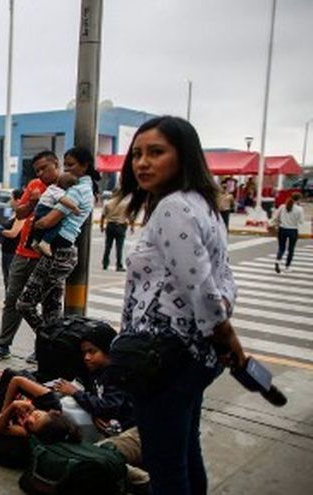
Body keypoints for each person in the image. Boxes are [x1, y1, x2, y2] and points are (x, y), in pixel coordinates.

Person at [116, 116, 248, 495]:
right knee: (186, 452)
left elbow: (202, 287)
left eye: (156, 152)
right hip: (190, 356)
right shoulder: (202, 204)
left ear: (183, 155)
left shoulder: (173, 208)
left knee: (166, 466)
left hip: (163, 358)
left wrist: (228, 339)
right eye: (137, 154)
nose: (142, 163)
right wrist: (219, 336)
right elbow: (224, 279)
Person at [16, 147, 98, 364]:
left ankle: (52, 344)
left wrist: (37, 225)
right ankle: (52, 350)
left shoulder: (77, 190)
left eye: (71, 165)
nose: (67, 169)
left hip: (60, 252)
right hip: (60, 251)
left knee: (26, 304)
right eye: (66, 164)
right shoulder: (84, 188)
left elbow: (47, 221)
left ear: (84, 166)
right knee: (51, 309)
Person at [0, 151, 60, 363]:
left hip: (46, 256)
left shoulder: (65, 187)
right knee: (12, 300)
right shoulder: (34, 185)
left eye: (44, 168)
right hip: (22, 254)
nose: (41, 173)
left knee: (46, 304)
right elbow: (20, 213)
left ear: (56, 164)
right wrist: (33, 202)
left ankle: (43, 348)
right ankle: (3, 345)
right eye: (37, 170)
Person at [51, 324, 135, 434]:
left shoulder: (118, 375)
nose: (87, 357)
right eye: (84, 353)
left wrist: (74, 392)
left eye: (92, 351)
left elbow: (109, 406)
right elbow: (97, 397)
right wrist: (95, 415)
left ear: (107, 350)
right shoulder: (97, 372)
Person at [26, 172, 82, 256]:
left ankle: (36, 241)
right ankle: (46, 242)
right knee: (56, 224)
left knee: (38, 227)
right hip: (45, 209)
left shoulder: (51, 188)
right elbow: (63, 200)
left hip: (39, 209)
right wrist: (74, 207)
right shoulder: (58, 191)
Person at [0, 188, 23, 291]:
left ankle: (11, 300)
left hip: (13, 253)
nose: (10, 201)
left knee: (11, 280)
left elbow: (13, 233)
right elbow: (6, 231)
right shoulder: (13, 213)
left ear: (18, 200)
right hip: (6, 251)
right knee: (7, 279)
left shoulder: (22, 215)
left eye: (11, 198)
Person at [271, 192, 305, 273]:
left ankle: (277, 261)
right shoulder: (299, 209)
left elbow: (276, 217)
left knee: (281, 247)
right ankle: (287, 267)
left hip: (282, 229)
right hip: (293, 230)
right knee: (291, 249)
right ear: (299, 200)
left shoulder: (282, 206)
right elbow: (301, 221)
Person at [100, 190, 132, 271]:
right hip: (121, 226)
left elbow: (103, 216)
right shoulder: (125, 204)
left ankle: (105, 263)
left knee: (108, 246)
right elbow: (129, 216)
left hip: (110, 225)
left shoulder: (108, 203)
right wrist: (132, 226)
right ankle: (119, 265)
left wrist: (101, 226)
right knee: (119, 247)